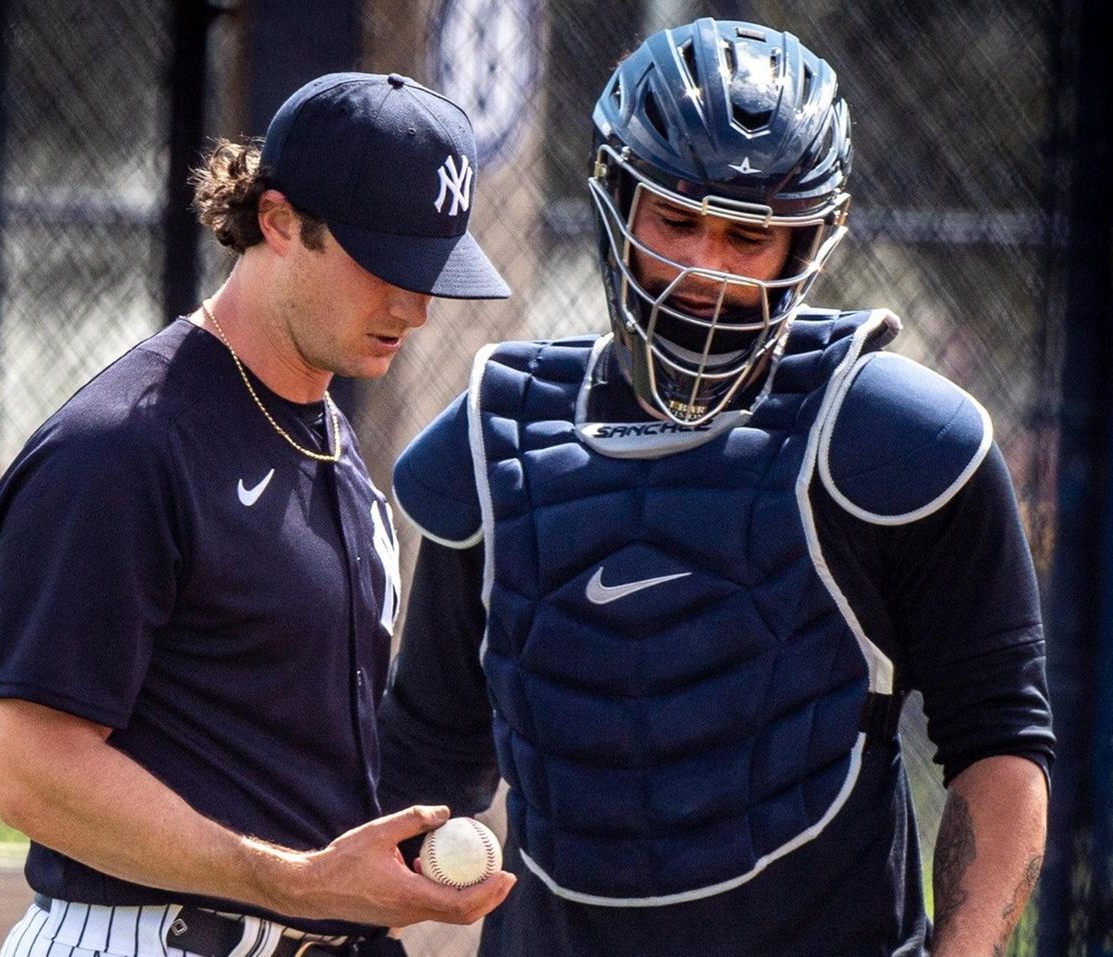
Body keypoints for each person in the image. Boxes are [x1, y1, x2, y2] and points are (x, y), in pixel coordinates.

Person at [378, 19, 1053, 957]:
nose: (706, 266)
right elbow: (425, 756)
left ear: (810, 239)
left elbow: (1001, 741)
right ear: (617, 201)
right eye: (676, 221)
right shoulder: (497, 443)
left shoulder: (900, 444)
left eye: (750, 236)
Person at [0, 71, 515, 957]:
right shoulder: (122, 447)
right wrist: (295, 882)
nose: (415, 307)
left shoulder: (332, 443)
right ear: (275, 219)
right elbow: (36, 775)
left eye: (431, 270)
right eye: (385, 263)